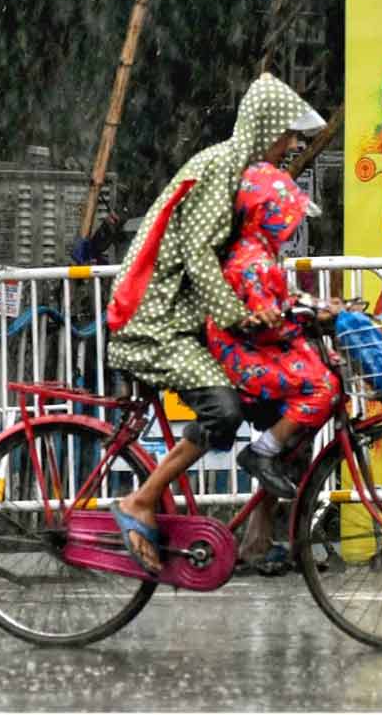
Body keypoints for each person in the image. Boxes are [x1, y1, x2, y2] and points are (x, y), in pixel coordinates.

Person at [105, 72, 327, 574]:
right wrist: (238, 316)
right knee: (223, 409)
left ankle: (257, 538)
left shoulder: (237, 172)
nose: (292, 146)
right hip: (156, 321)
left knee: (277, 407)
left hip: (187, 320)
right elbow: (200, 255)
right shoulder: (221, 167)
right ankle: (141, 499)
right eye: (289, 136)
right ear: (268, 128)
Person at [204, 161, 342, 498]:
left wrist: (318, 305)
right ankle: (262, 452)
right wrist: (307, 317)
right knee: (324, 386)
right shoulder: (255, 263)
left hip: (252, 349)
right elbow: (268, 320)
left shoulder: (255, 252)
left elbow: (283, 301)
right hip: (244, 355)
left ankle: (266, 515)